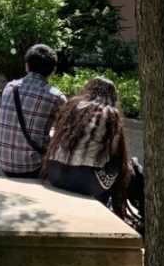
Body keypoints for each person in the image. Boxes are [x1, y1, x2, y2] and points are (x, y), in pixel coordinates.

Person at [41, 77, 139, 223]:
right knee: (119, 164)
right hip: (86, 182)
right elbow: (115, 153)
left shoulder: (72, 106)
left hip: (55, 173)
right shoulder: (111, 114)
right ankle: (107, 211)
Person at [0, 44, 67, 178]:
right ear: (53, 71)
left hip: (3, 161)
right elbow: (65, 132)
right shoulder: (56, 97)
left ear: (27, 66)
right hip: (32, 166)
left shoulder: (10, 87)